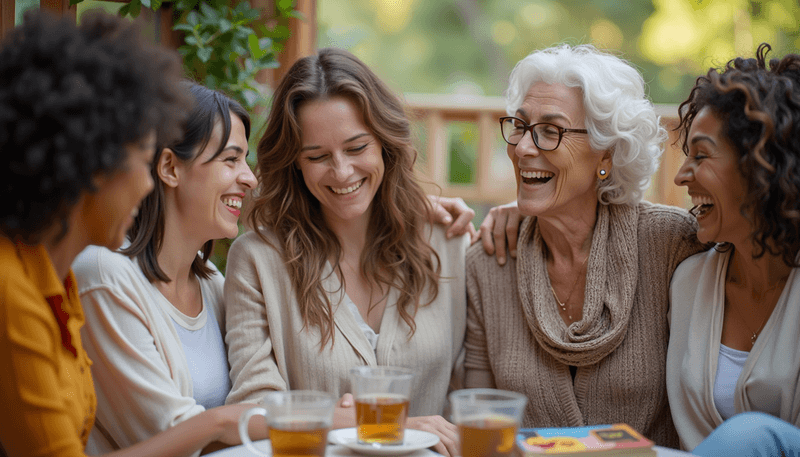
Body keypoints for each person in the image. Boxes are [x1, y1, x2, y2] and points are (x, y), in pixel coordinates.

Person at [0, 10, 252, 457]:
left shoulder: (57, 284)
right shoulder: (14, 293)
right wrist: (219, 421)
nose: (147, 182)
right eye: (140, 159)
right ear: (90, 163)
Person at [223, 47, 470, 457]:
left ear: (385, 144)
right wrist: (381, 424)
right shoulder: (257, 260)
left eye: (356, 148)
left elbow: (473, 395)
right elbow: (255, 409)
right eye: (317, 156)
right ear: (295, 163)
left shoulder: (448, 242)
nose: (341, 172)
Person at [463, 44, 703, 448]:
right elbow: (481, 422)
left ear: (605, 153)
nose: (522, 148)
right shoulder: (489, 261)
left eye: (551, 131)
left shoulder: (670, 243)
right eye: (520, 126)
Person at [72, 82, 262, 455]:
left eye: (245, 160)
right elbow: (167, 437)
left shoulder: (214, 286)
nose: (250, 178)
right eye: (230, 160)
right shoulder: (105, 276)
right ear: (170, 167)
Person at [668, 43, 800, 455]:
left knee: (751, 435)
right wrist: (525, 213)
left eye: (701, 156)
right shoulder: (690, 281)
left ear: (761, 167)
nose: (680, 176)